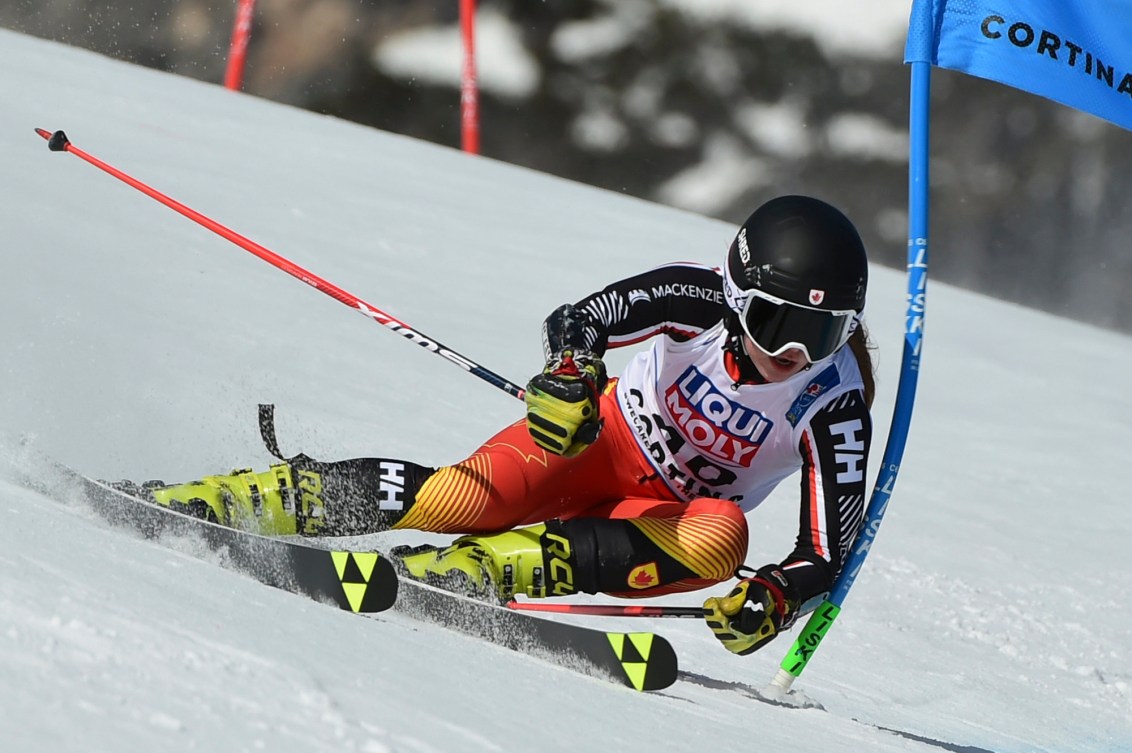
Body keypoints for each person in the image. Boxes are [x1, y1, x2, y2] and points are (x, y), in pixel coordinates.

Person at [134, 194, 874, 657]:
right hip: (593, 445)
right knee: (467, 499)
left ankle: (479, 570)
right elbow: (581, 318)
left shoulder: (833, 402)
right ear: (738, 295)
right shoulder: (696, 296)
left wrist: (773, 598)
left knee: (723, 539)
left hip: (658, 522)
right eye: (776, 323)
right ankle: (246, 497)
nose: (793, 354)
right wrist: (572, 374)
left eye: (825, 332)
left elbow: (824, 551)